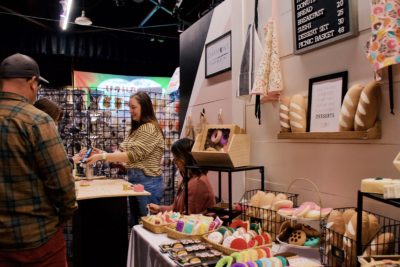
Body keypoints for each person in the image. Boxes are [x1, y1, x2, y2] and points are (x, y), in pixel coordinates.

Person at [0, 53, 77, 266]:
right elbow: (63, 186)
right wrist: (62, 217)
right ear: (33, 82)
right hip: (37, 240)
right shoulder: (37, 121)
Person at [82, 91, 164, 226]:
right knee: (137, 224)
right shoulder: (136, 129)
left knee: (148, 225)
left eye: (133, 107)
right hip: (137, 181)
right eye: (129, 107)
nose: (130, 111)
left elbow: (131, 155)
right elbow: (122, 152)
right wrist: (101, 154)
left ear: (144, 106)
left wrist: (102, 156)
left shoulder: (149, 128)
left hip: (148, 182)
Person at [148, 138, 216, 214]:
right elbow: (176, 208)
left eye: (177, 158)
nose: (175, 162)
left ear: (185, 158)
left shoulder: (198, 182)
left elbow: (189, 217)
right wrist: (159, 209)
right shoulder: (189, 179)